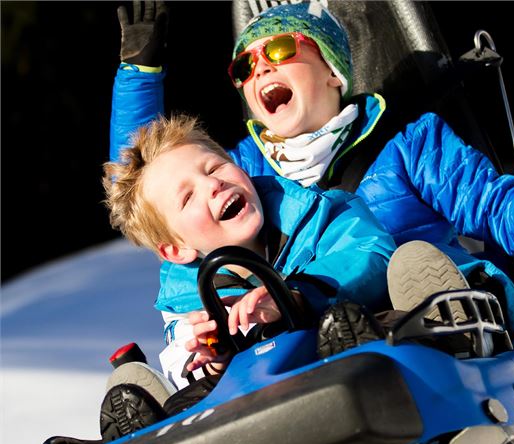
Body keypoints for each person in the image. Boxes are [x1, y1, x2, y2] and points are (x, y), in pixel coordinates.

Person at [109, 2, 514, 345]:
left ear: (333, 71)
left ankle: (443, 328)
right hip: (318, 328)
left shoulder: (411, 141)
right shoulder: (247, 171)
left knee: (408, 261)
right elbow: (151, 191)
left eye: (277, 49)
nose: (258, 70)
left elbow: (502, 220)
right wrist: (139, 72)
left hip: (438, 304)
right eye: (244, 66)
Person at [103, 113, 395, 389]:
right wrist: (214, 357)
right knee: (193, 390)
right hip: (261, 391)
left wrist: (295, 296)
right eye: (188, 196)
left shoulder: (322, 211)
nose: (213, 183)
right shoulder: (184, 299)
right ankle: (145, 414)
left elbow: (372, 254)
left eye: (215, 167)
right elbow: (181, 353)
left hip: (359, 341)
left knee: (390, 306)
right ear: (177, 250)